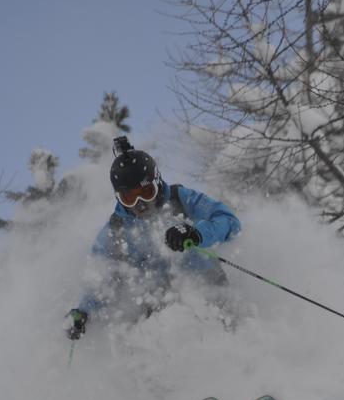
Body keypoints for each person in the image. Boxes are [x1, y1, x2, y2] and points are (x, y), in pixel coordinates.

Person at [64, 137, 241, 340]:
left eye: (146, 193)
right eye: (129, 198)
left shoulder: (180, 199)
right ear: (119, 198)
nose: (140, 204)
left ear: (157, 182)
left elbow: (229, 221)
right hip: (159, 315)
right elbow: (102, 277)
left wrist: (196, 233)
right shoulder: (116, 229)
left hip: (212, 296)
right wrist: (83, 311)